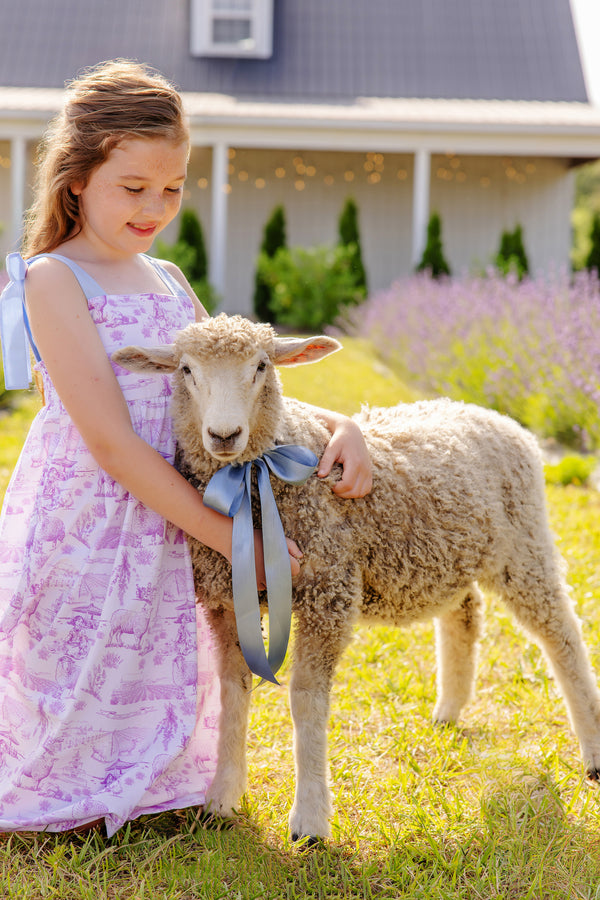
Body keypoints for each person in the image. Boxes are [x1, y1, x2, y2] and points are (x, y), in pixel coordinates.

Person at [0, 60, 372, 836]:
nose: (155, 208)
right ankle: (72, 782)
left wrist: (342, 425)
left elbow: (236, 385)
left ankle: (157, 778)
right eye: (133, 187)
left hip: (168, 518)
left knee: (159, 652)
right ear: (77, 179)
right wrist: (238, 540)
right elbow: (109, 441)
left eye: (171, 189)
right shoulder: (52, 279)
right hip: (93, 522)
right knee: (84, 661)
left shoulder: (167, 278)